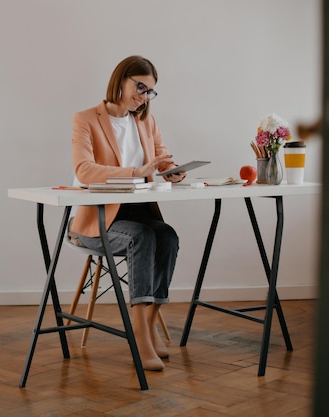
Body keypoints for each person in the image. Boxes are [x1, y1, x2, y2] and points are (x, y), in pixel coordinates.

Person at [70, 55, 185, 371]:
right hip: (99, 222)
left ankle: (147, 324)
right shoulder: (86, 119)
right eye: (140, 86)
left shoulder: (146, 121)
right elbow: (83, 170)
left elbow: (161, 158)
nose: (143, 96)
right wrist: (135, 171)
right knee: (144, 237)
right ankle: (139, 334)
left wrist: (173, 171)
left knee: (168, 236)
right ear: (120, 79)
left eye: (149, 91)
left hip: (140, 213)